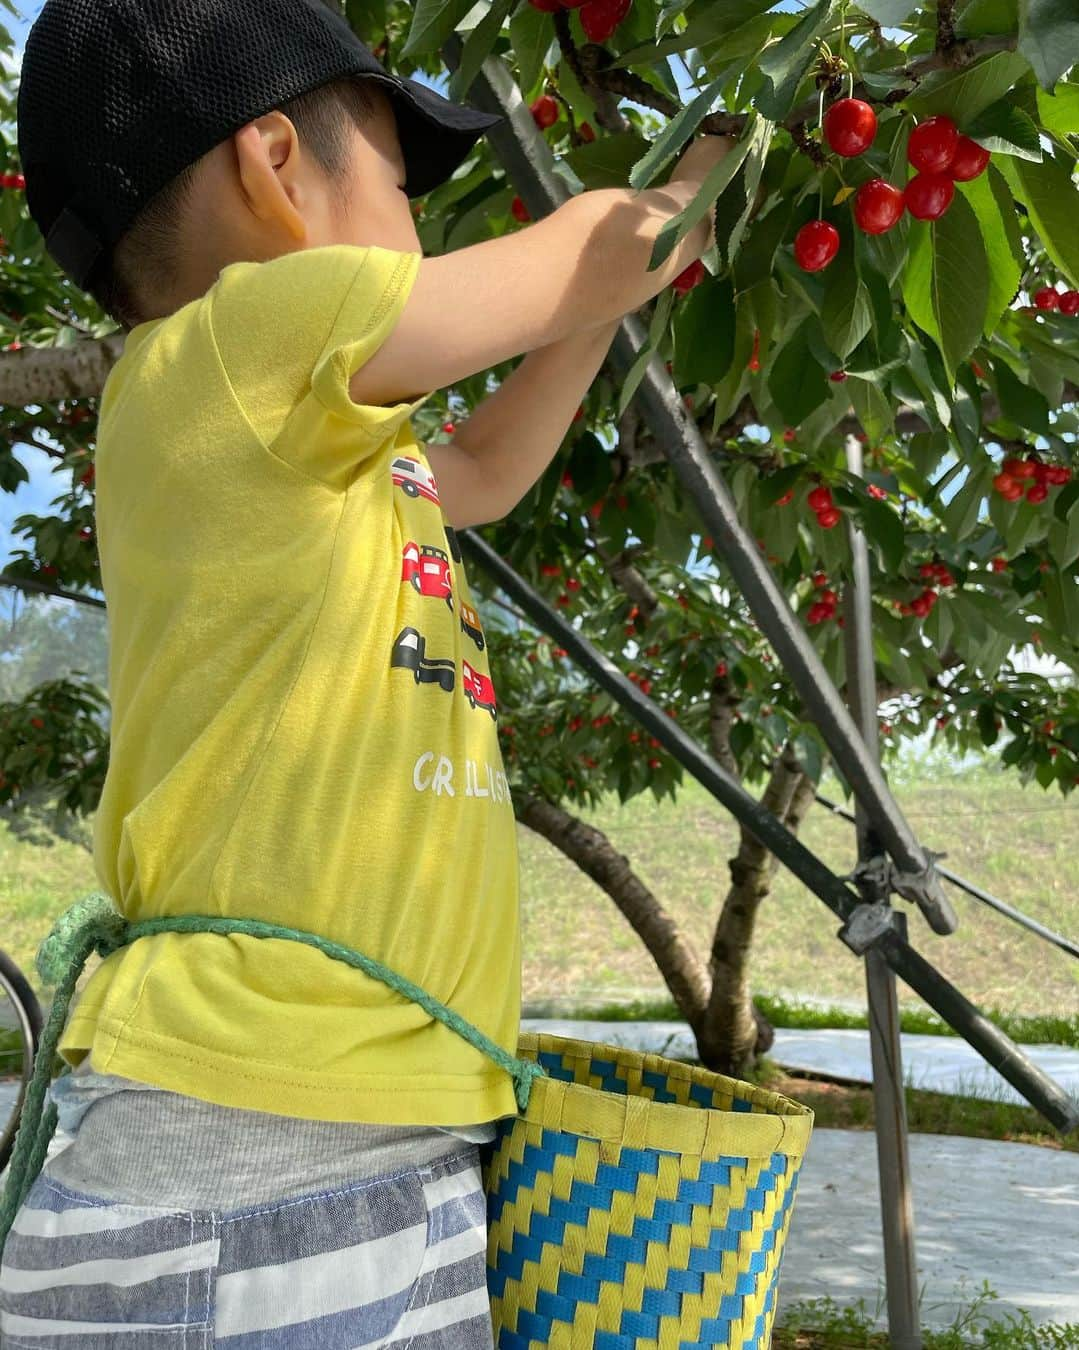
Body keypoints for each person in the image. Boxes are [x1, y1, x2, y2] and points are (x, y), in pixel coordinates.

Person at [1, 0, 731, 1342]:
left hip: (330, 1150)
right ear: (276, 166)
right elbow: (587, 253)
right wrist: (702, 178)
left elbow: (493, 472)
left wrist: (614, 292)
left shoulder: (309, 448)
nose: (423, 232)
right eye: (401, 183)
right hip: (261, 1165)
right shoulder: (239, 342)